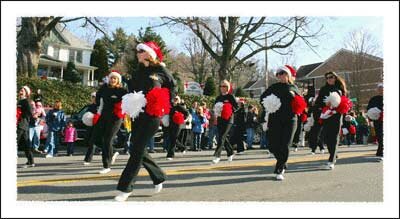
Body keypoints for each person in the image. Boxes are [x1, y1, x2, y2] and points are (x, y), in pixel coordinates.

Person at [115, 41, 176, 201]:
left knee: (136, 151)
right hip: (138, 114)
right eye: (137, 51)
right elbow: (132, 90)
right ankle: (159, 176)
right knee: (138, 148)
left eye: (140, 50)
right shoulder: (138, 72)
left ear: (150, 54)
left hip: (152, 115)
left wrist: (166, 110)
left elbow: (172, 88)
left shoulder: (161, 70)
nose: (137, 53)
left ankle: (125, 188)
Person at [259, 65, 302, 180]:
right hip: (275, 119)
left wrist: (294, 98)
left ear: (288, 75)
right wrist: (269, 103)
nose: (281, 75)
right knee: (273, 146)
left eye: (283, 73)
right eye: (279, 74)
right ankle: (283, 161)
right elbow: (262, 99)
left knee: (285, 145)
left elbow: (301, 103)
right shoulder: (274, 87)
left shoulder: (294, 88)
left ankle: (280, 168)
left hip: (290, 119)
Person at [88, 71, 128, 174]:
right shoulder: (104, 88)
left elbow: (129, 100)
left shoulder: (122, 90)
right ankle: (112, 153)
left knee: (107, 140)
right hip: (104, 116)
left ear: (118, 80)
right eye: (111, 78)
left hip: (116, 118)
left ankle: (106, 166)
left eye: (115, 78)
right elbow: (97, 97)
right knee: (95, 138)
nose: (113, 80)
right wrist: (97, 106)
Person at [315, 71, 348, 170]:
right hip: (326, 116)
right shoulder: (323, 89)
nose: (329, 79)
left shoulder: (340, 89)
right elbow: (318, 103)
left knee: (334, 137)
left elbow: (345, 104)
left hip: (337, 116)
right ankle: (334, 153)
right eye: (327, 77)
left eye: (331, 77)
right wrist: (325, 105)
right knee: (327, 138)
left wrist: (345, 119)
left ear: (335, 78)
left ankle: (331, 160)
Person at [211, 80, 238, 164]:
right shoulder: (218, 97)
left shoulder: (230, 96)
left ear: (228, 87)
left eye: (224, 86)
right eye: (221, 86)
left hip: (229, 119)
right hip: (220, 119)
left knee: (222, 137)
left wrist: (227, 108)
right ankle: (230, 152)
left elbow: (236, 107)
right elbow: (215, 108)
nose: (222, 88)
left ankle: (217, 156)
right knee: (223, 137)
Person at [17, 86, 35, 168]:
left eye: (23, 90)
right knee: (26, 145)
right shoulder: (19, 101)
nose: (21, 90)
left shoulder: (26, 101)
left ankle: (31, 162)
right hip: (21, 125)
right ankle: (31, 161)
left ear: (27, 93)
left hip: (22, 125)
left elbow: (29, 113)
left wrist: (22, 118)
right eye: (20, 89)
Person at [166, 96, 189, 160]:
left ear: (179, 100)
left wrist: (183, 119)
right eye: (174, 99)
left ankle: (170, 155)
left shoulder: (180, 107)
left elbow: (187, 113)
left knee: (174, 138)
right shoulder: (170, 106)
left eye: (176, 99)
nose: (175, 100)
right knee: (172, 138)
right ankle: (183, 148)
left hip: (177, 124)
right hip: (170, 124)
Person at [83, 92, 103, 165]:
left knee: (92, 142)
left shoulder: (100, 106)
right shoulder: (90, 106)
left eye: (94, 97)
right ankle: (111, 153)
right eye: (92, 97)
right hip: (91, 126)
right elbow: (86, 115)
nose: (93, 98)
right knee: (97, 142)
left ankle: (87, 160)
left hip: (99, 126)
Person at [367, 83, 383, 161]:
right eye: (379, 88)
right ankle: (381, 151)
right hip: (377, 120)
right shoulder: (374, 99)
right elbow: (369, 108)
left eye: (382, 88)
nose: (381, 90)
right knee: (379, 135)